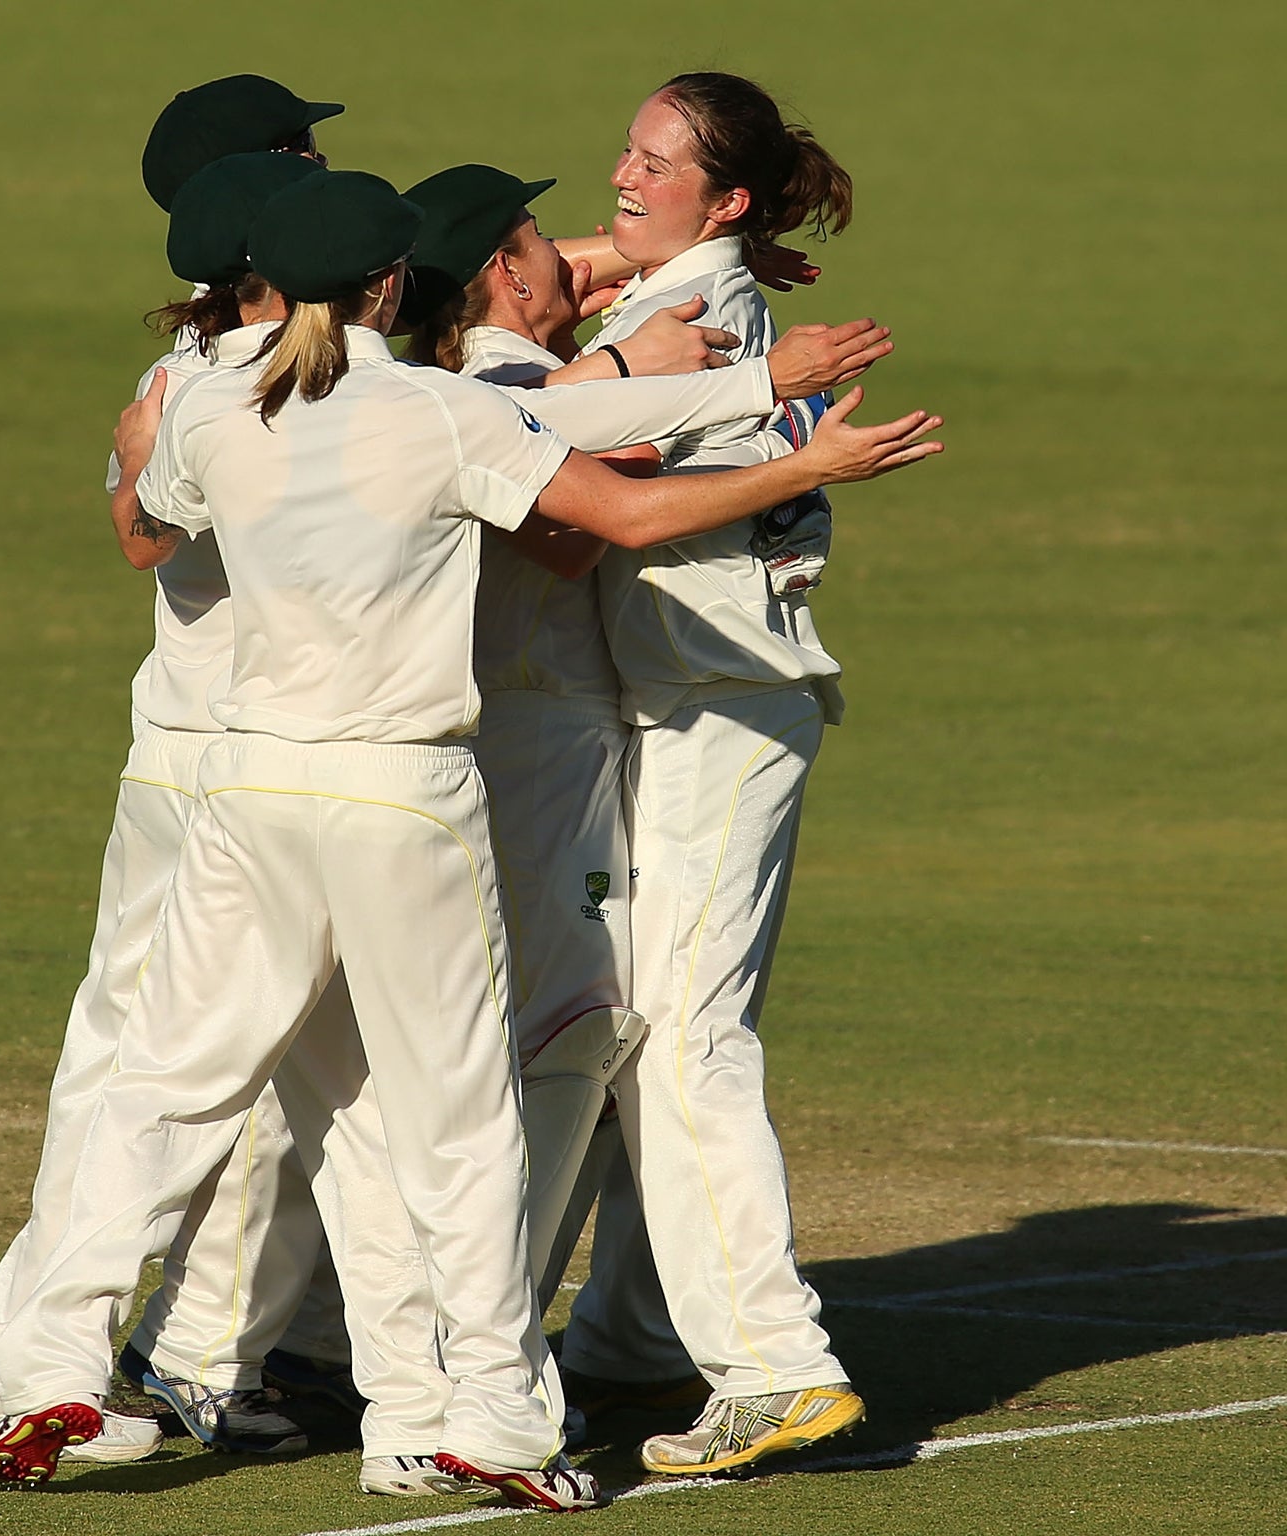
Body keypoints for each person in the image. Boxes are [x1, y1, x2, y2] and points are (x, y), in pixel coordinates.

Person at [0, 168, 938, 1500]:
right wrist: (800, 438)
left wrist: (137, 450)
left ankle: (55, 1376)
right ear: (389, 290)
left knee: (163, 1094)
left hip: (244, 800)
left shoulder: (200, 399)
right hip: (395, 802)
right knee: (459, 1123)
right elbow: (630, 502)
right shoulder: (437, 412)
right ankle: (478, 1417)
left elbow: (148, 525)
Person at [0, 98, 333, 1466]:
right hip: (241, 760)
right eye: (308, 152)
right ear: (272, 179)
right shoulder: (271, 361)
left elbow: (134, 521)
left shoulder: (188, 354)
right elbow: (142, 537)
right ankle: (66, 1365)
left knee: (118, 1070)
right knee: (173, 1083)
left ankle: (9, 1367)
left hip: (180, 747)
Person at [560, 71, 877, 1478]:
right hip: (683, 706)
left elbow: (562, 441)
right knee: (639, 1025)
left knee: (688, 1035)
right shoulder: (684, 297)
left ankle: (774, 1369)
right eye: (622, 152)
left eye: (654, 162)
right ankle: (632, 1331)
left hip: (720, 710)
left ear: (726, 196)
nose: (623, 177)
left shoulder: (702, 322)